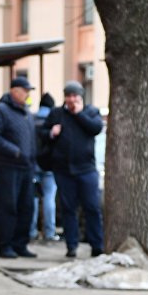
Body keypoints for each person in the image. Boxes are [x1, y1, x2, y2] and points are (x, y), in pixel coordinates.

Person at [45, 80, 105, 258]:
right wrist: (51, 132)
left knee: (92, 208)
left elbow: (96, 128)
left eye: (75, 96)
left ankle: (97, 245)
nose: (71, 100)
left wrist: (79, 114)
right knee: (68, 208)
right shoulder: (56, 113)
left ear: (81, 97)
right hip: (63, 170)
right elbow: (42, 134)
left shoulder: (90, 111)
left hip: (86, 169)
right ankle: (71, 245)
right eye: (68, 96)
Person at [0, 77, 38, 259]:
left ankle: (20, 244)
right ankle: (5, 246)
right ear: (15, 91)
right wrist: (15, 152)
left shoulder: (26, 112)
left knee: (27, 207)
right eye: (25, 91)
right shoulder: (1, 110)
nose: (27, 94)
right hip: (9, 166)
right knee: (8, 207)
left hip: (27, 167)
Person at [31, 93, 60, 242]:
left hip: (33, 165)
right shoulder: (54, 120)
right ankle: (49, 232)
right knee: (49, 198)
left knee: (33, 198)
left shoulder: (32, 118)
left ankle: (31, 231)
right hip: (49, 166)